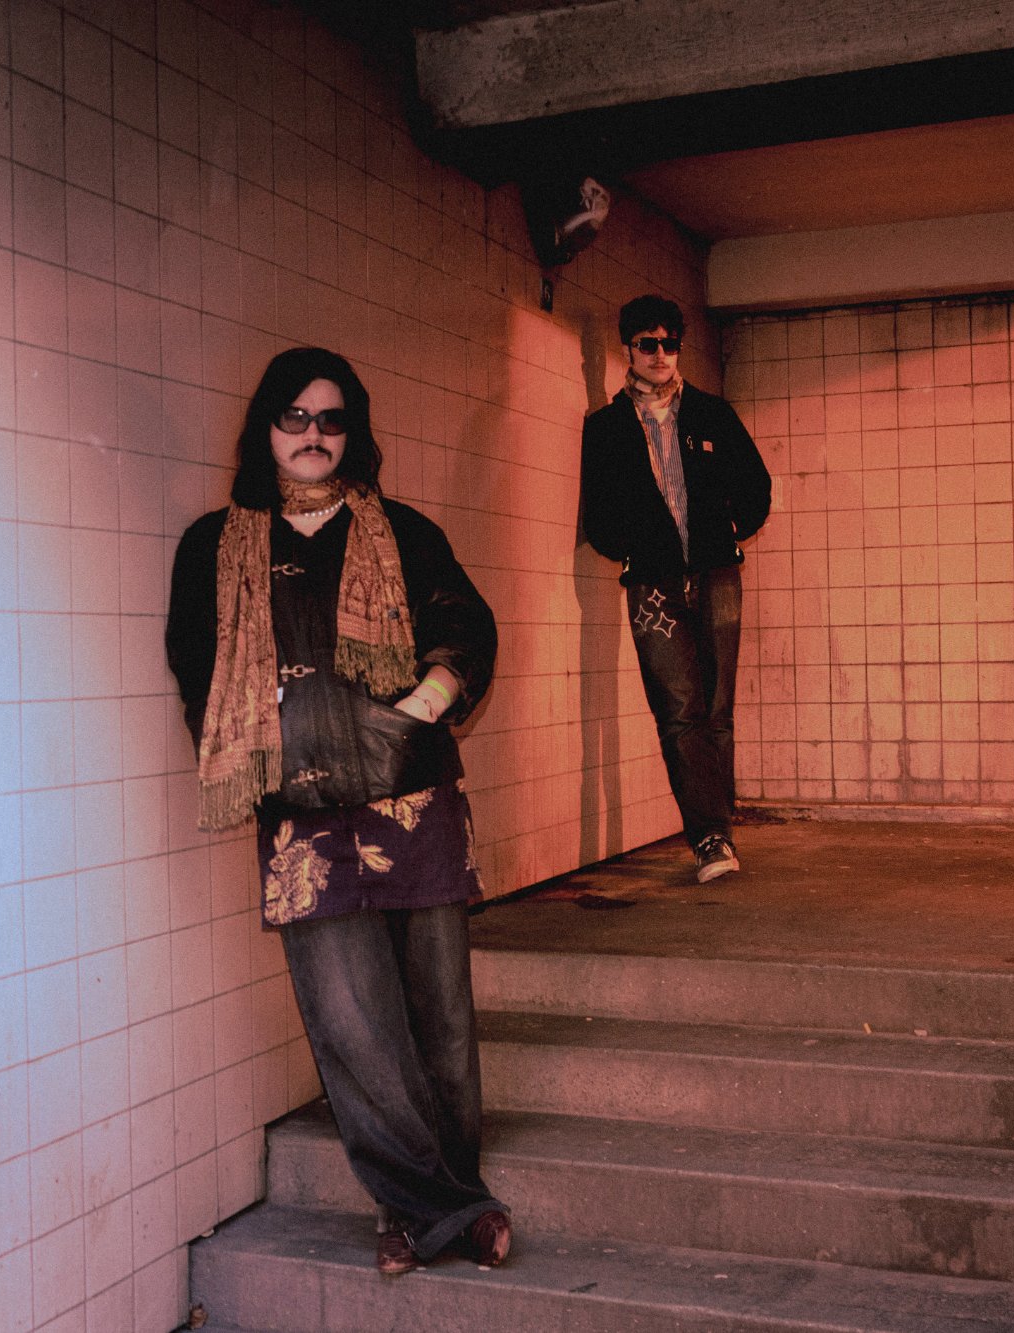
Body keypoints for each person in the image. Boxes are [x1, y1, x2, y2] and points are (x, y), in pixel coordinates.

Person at [165, 347, 511, 1275]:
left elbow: (466, 628)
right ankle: (447, 1208)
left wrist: (420, 708)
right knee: (352, 1023)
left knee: (435, 1011)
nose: (313, 435)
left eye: (330, 419)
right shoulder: (216, 544)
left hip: (412, 799)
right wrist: (256, 736)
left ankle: (424, 1207)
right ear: (264, 431)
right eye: (294, 417)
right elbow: (197, 669)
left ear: (351, 430)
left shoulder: (401, 530)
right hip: (301, 817)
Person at [581, 295, 772, 882]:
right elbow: (598, 516)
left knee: (716, 709)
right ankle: (709, 838)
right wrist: (635, 548)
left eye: (668, 344)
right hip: (653, 586)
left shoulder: (714, 414)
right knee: (678, 710)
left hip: (716, 574)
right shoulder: (607, 427)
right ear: (628, 351)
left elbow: (758, 487)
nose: (660, 355)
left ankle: (720, 827)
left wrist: (730, 534)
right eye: (647, 344)